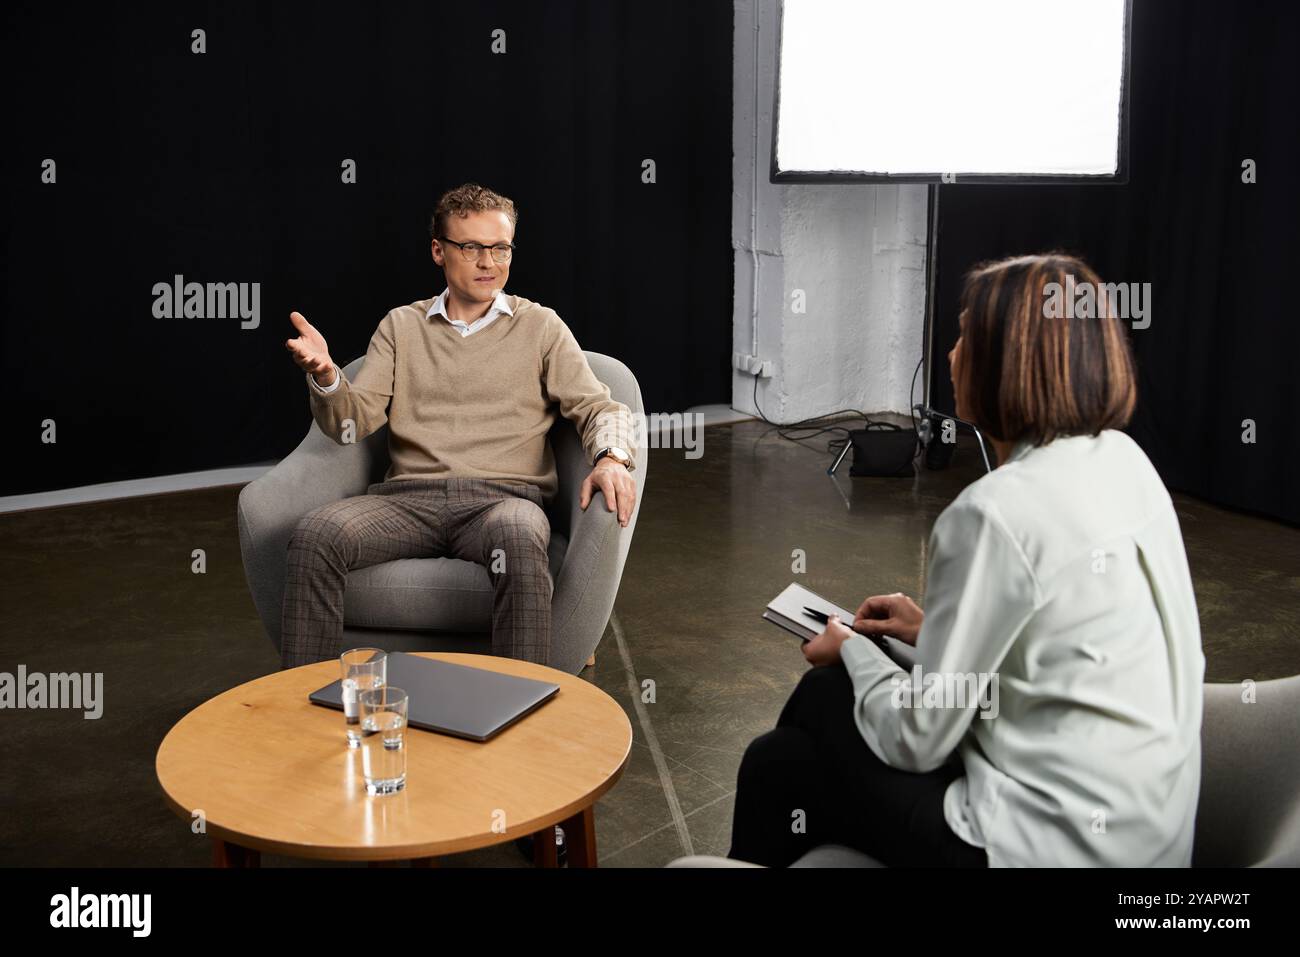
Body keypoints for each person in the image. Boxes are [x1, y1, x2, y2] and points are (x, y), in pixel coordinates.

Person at [728, 252, 1205, 867]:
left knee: (825, 694)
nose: (951, 356)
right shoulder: (1126, 462)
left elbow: (919, 740)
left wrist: (851, 649)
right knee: (778, 763)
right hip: (1149, 839)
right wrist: (934, 632)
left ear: (1007, 363)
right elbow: (1060, 644)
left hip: (1039, 851)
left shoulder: (994, 512)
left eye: (965, 337)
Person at [279, 182, 639, 670]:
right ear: (438, 251)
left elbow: (600, 407)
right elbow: (352, 423)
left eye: (500, 248)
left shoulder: (541, 327)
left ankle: (522, 705)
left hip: (502, 502)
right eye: (471, 247)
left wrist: (612, 458)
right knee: (316, 533)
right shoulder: (400, 326)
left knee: (518, 532)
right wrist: (326, 375)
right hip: (408, 502)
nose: (488, 262)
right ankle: (308, 705)